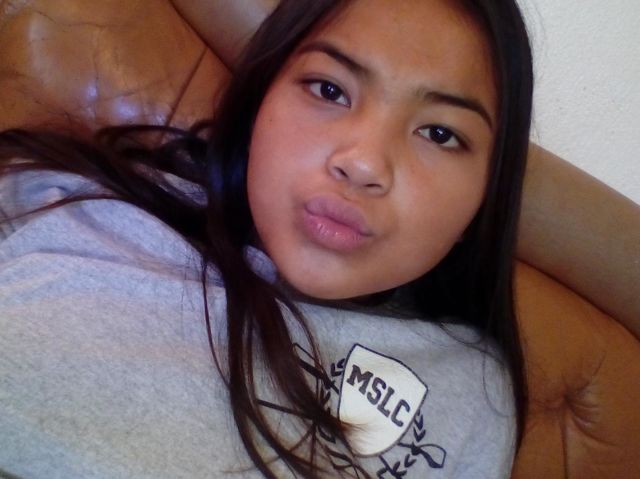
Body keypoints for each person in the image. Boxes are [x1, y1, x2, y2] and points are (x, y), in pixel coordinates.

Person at [0, 0, 533, 477]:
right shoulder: (66, 201)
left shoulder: (474, 392)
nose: (364, 163)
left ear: (486, 198)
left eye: (439, 133)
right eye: (329, 89)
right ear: (259, 101)